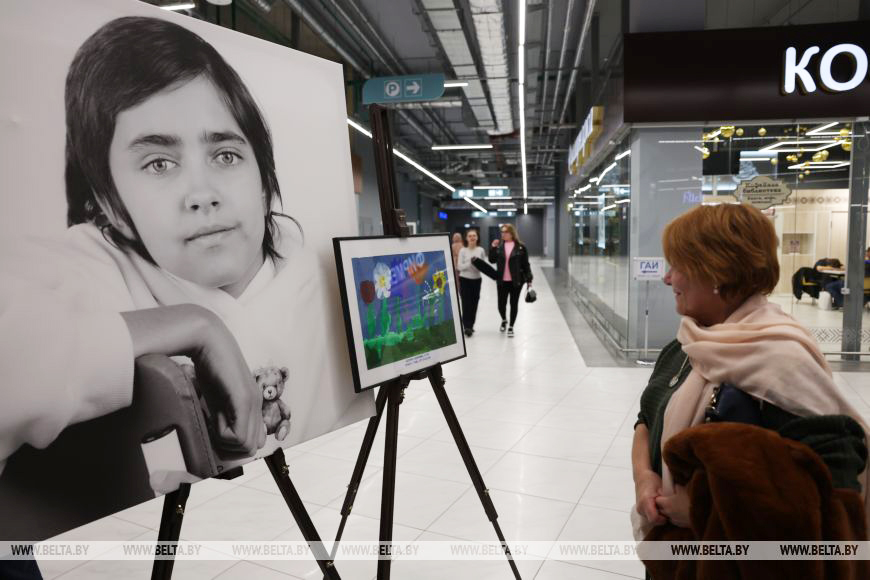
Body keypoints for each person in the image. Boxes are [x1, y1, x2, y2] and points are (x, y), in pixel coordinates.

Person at [0, 16, 318, 483]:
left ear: (262, 173)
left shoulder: (307, 268)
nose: (202, 194)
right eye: (159, 164)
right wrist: (195, 324)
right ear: (110, 202)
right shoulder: (82, 267)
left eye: (225, 155)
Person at [631, 204, 870, 564]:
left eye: (677, 266)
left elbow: (827, 496)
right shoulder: (687, 343)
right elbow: (646, 420)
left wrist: (703, 509)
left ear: (716, 271)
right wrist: (644, 478)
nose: (668, 279)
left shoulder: (780, 360)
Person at [488, 224, 532, 337]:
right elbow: (492, 260)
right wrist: (493, 247)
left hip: (516, 281)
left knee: (514, 304)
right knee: (501, 304)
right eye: (502, 232)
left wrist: (529, 279)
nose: (503, 234)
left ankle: (511, 326)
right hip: (502, 281)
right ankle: (504, 319)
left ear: (512, 233)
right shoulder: (499, 247)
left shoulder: (521, 247)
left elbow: (526, 264)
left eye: (506, 232)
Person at [457, 229, 486, 336]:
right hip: (464, 279)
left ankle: (471, 325)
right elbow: (459, 267)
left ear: (477, 238)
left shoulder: (481, 250)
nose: (472, 237)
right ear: (466, 238)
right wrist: (470, 262)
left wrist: (478, 264)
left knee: (474, 303)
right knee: (466, 303)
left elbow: (483, 266)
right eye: (470, 236)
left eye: (474, 235)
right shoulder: (463, 250)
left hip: (477, 280)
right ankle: (466, 326)